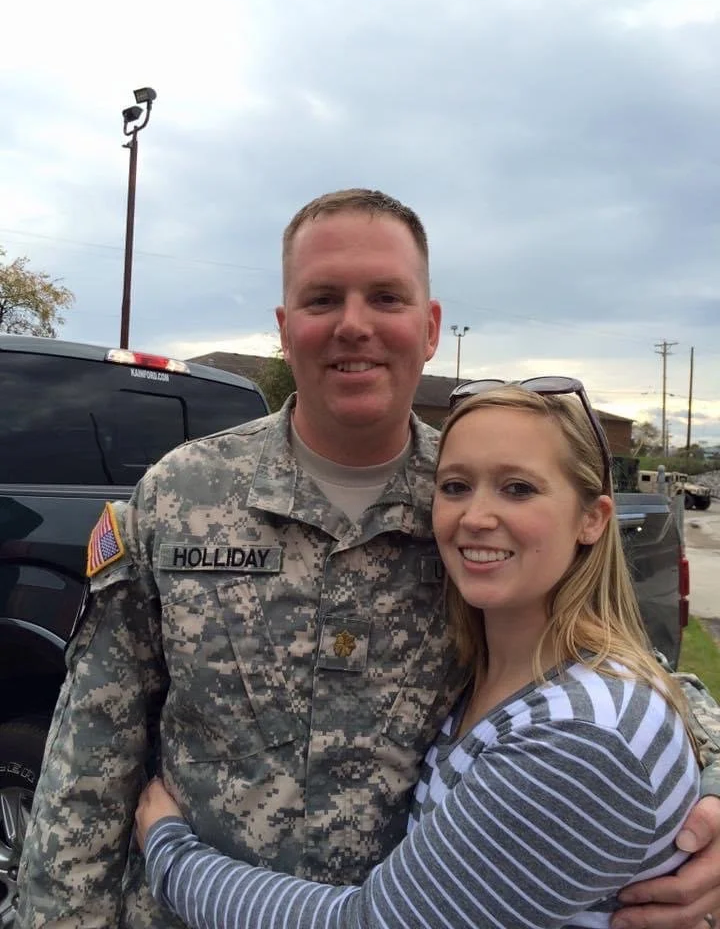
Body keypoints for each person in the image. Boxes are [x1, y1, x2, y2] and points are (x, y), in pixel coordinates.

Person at [17, 189, 720, 929]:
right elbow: (91, 745)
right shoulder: (180, 493)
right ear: (287, 331)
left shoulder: (467, 503)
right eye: (323, 299)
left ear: (429, 327)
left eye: (386, 297)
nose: (354, 325)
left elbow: (617, 673)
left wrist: (707, 793)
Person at [132, 379, 702, 927]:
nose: (476, 516)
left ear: (592, 519)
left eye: (518, 488)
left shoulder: (583, 737)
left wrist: (170, 854)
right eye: (455, 486)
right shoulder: (490, 674)